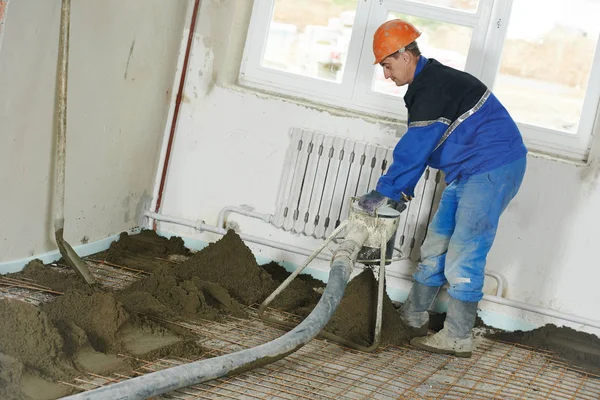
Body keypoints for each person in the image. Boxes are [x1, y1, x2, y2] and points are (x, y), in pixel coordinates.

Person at [358, 19, 528, 358]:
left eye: (388, 65)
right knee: (436, 243)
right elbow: (421, 152)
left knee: (465, 248)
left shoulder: (433, 87)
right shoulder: (427, 85)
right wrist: (395, 193)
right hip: (466, 170)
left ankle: (458, 336)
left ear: (405, 55)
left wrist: (387, 193)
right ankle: (413, 316)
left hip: (493, 168)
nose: (386, 75)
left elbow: (414, 151)